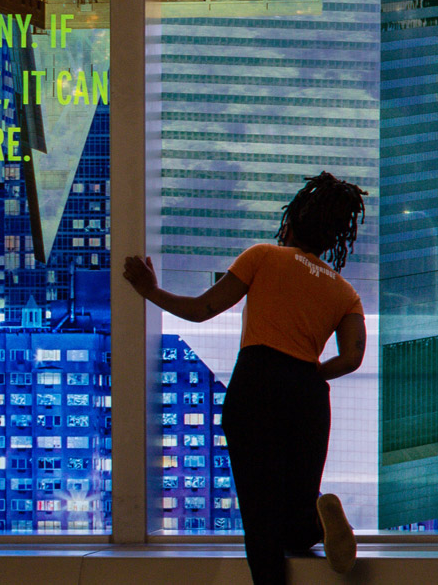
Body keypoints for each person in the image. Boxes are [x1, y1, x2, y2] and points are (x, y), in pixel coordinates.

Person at [123, 172, 367, 584]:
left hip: (258, 382)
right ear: (333, 238)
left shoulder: (263, 257)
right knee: (296, 505)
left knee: (261, 517)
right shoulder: (345, 292)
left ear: (289, 223)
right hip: (308, 395)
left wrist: (150, 291)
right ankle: (319, 526)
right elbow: (353, 358)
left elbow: (202, 310)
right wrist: (310, 373)